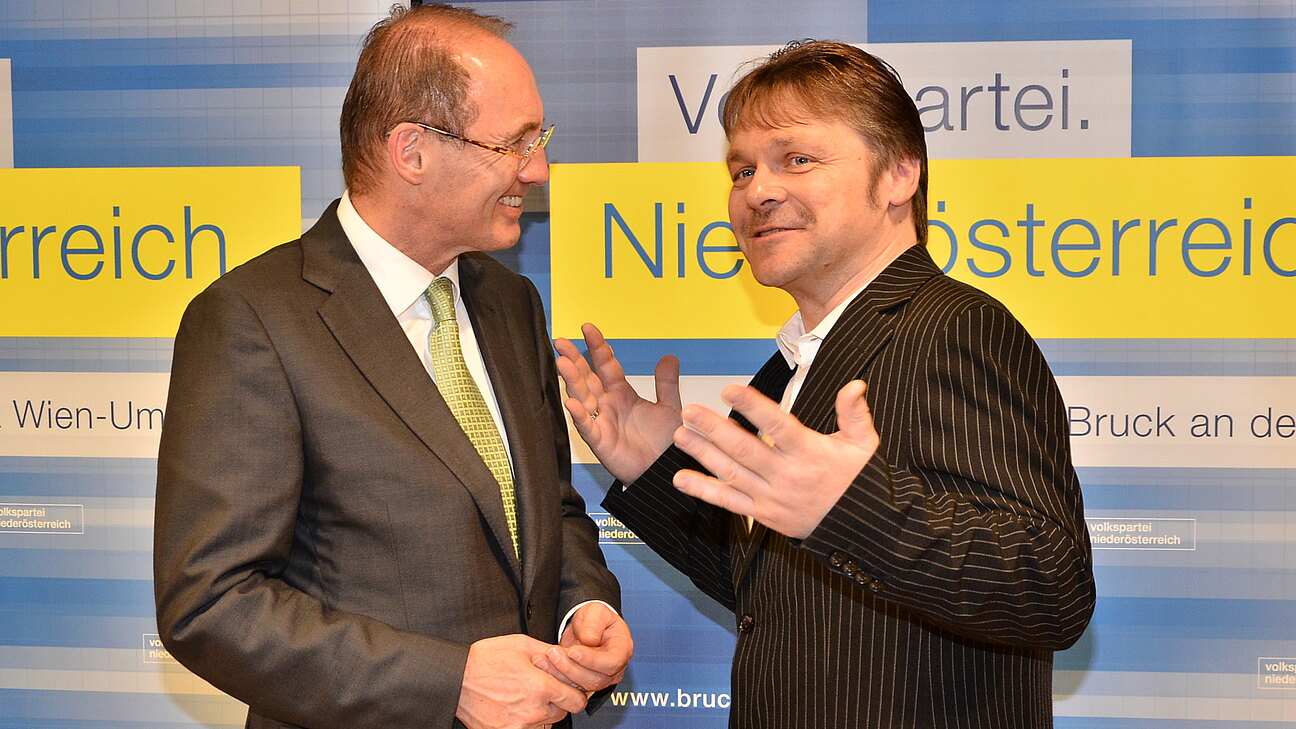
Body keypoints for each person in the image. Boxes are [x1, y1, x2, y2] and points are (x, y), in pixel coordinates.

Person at [555, 40, 1094, 728]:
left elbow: (1052, 588)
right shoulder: (795, 363)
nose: (757, 191)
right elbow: (779, 599)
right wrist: (658, 467)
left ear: (899, 174)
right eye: (742, 169)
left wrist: (852, 508)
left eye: (797, 159)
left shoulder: (953, 328)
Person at [153, 5, 630, 729]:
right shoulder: (255, 320)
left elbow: (547, 509)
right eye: (514, 143)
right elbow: (211, 602)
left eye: (540, 139)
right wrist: (449, 683)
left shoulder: (511, 302)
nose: (537, 169)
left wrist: (582, 608)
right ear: (412, 151)